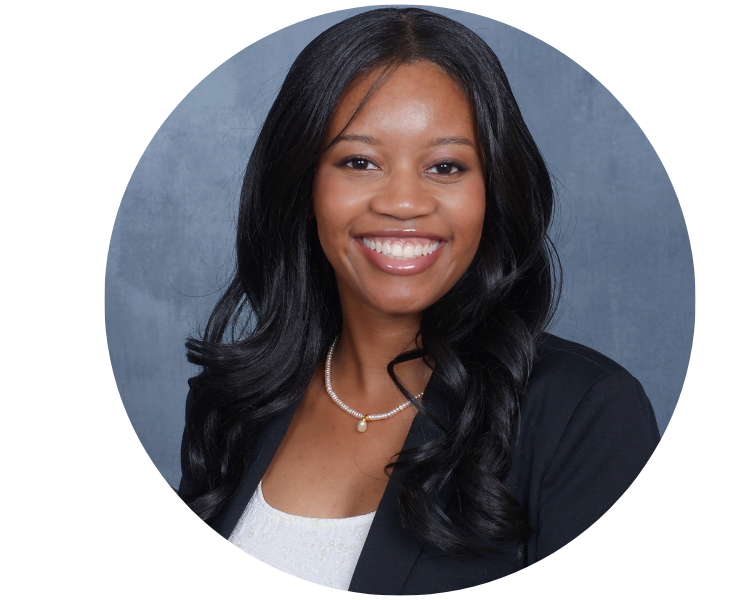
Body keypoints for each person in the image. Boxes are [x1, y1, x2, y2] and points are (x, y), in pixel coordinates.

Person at [178, 7, 660, 594]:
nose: (404, 202)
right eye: (359, 161)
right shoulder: (232, 406)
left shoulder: (586, 413)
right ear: (303, 187)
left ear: (493, 191)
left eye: (445, 166)